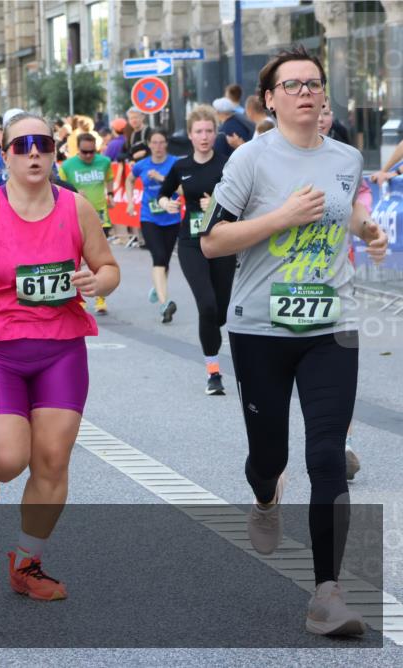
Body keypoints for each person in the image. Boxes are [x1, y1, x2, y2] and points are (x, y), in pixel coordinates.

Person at [201, 46, 388, 637]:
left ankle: (327, 595)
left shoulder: (347, 158)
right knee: (270, 458)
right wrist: (281, 217)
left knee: (328, 454)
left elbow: (346, 209)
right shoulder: (251, 161)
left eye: (314, 83)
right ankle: (263, 496)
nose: (306, 92)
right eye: (293, 84)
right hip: (260, 329)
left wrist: (370, 230)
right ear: (272, 99)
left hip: (331, 326)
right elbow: (213, 241)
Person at [0, 112, 119, 601]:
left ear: (55, 152)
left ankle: (27, 563)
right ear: (4, 154)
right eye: (22, 145)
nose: (34, 153)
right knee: (10, 458)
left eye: (44, 144)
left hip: (60, 350)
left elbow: (109, 266)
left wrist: (100, 281)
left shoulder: (76, 209)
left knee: (52, 459)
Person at [155, 107, 234, 395]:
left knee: (220, 313)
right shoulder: (181, 167)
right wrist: (167, 204)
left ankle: (214, 332)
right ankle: (213, 373)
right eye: (198, 131)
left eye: (209, 131)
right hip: (191, 242)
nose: (204, 136)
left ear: (216, 133)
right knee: (207, 305)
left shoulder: (228, 165)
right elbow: (162, 193)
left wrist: (217, 205)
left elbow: (243, 203)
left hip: (224, 241)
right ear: (190, 135)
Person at [126, 128, 182, 323]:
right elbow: (129, 179)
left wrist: (161, 178)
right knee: (158, 257)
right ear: (149, 144)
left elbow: (183, 190)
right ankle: (164, 303)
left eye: (161, 142)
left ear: (166, 144)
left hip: (172, 218)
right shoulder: (142, 165)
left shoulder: (175, 163)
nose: (158, 147)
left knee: (164, 261)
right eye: (154, 143)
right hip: (149, 218)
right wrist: (131, 201)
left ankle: (157, 288)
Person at [61, 132, 115, 315]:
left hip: (100, 215)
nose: (89, 156)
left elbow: (109, 179)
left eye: (92, 152)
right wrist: (75, 196)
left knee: (98, 259)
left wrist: (111, 195)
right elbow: (60, 188)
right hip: (76, 217)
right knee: (75, 259)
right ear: (78, 149)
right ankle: (78, 296)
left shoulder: (104, 162)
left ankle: (100, 296)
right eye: (85, 152)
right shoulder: (67, 166)